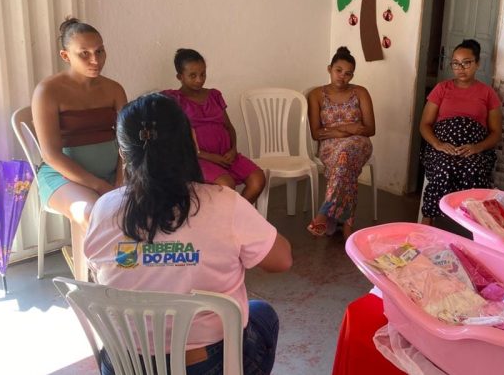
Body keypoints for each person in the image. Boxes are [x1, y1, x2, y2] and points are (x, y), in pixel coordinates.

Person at [85, 93, 292, 375]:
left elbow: (99, 274)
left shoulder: (103, 208)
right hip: (207, 365)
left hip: (124, 364)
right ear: (192, 143)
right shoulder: (224, 203)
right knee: (262, 314)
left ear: (123, 153)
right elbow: (282, 260)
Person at [31, 17, 127, 281]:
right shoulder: (47, 91)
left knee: (150, 202)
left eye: (99, 51)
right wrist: (99, 185)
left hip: (110, 176)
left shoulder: (114, 89)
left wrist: (120, 179)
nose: (95, 60)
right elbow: (50, 154)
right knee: (93, 211)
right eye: (84, 54)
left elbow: (125, 143)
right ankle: (105, 278)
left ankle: (131, 273)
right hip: (61, 177)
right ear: (65, 55)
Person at [163, 48, 266, 204]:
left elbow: (229, 127)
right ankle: (228, 223)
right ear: (180, 76)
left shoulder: (214, 95)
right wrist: (208, 156)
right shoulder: (174, 100)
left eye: (203, 74)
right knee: (226, 185)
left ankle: (236, 220)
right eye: (193, 75)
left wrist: (233, 149)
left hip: (226, 156)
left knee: (258, 179)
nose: (199, 79)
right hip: (197, 159)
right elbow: (176, 139)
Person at [418, 39, 502, 225]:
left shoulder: (487, 93)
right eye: (456, 63)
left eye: (466, 62)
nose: (460, 68)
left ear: (477, 64)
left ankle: (471, 226)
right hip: (441, 147)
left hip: (473, 149)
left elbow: (496, 133)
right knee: (443, 168)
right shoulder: (441, 89)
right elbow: (425, 124)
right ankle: (427, 224)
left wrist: (477, 147)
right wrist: (439, 145)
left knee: (473, 170)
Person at [307, 47, 375, 238]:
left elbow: (370, 129)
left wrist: (348, 133)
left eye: (348, 74)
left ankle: (323, 214)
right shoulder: (316, 95)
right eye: (338, 70)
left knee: (346, 154)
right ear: (329, 69)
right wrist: (348, 129)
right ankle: (347, 225)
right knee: (345, 164)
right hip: (329, 146)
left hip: (359, 144)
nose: (342, 77)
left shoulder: (360, 92)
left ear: (353, 75)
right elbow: (316, 133)